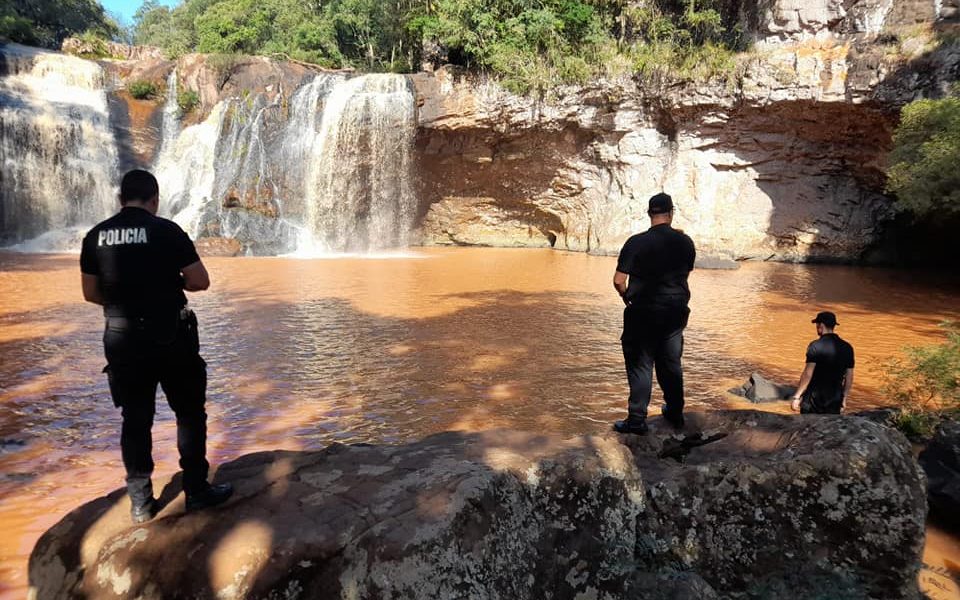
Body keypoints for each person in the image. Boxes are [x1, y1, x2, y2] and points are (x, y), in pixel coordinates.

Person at [80, 169, 232, 524]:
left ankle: (141, 503)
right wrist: (167, 283)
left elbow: (90, 293)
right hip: (170, 336)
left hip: (122, 339)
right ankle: (196, 490)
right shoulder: (166, 230)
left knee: (135, 419)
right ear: (154, 200)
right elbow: (199, 280)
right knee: (189, 414)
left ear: (120, 200)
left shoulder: (95, 236)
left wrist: (126, 297)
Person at [612, 193, 696, 434]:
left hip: (643, 311)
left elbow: (619, 280)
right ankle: (676, 412)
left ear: (649, 213)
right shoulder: (685, 242)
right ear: (671, 213)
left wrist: (626, 295)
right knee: (671, 363)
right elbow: (684, 276)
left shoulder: (636, 242)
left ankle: (637, 420)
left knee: (641, 364)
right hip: (675, 312)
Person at [791, 311, 855, 415]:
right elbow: (849, 377)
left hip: (813, 400)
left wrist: (797, 396)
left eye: (817, 324)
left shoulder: (815, 346)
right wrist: (844, 398)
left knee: (808, 428)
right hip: (835, 399)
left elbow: (808, 374)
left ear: (821, 325)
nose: (816, 327)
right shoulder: (848, 348)